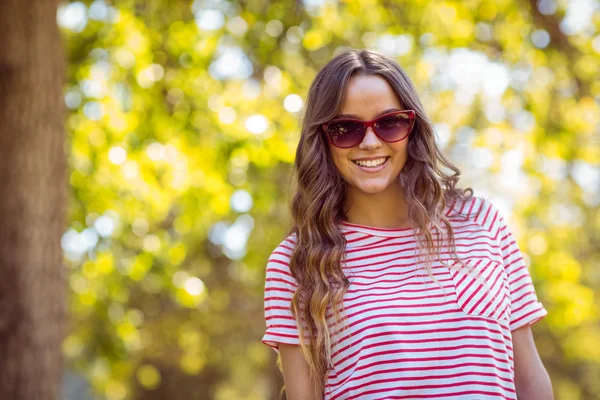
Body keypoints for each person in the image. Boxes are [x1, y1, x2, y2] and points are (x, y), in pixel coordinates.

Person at [261, 48, 553, 400]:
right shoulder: (295, 262)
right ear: (322, 139)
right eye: (346, 128)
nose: (371, 142)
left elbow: (530, 378)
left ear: (412, 127)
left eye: (390, 123)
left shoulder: (482, 223)